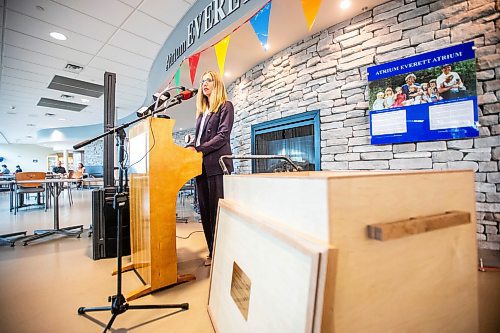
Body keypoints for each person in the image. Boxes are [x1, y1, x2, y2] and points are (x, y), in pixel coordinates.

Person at [187, 70, 234, 266]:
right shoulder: (202, 113)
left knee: (217, 212)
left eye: (209, 80)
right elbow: (199, 138)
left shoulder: (225, 106)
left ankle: (222, 253)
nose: (204, 84)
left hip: (217, 166)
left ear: (217, 84)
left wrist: (198, 149)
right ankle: (212, 251)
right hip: (201, 167)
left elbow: (222, 136)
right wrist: (190, 145)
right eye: (202, 81)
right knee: (205, 212)